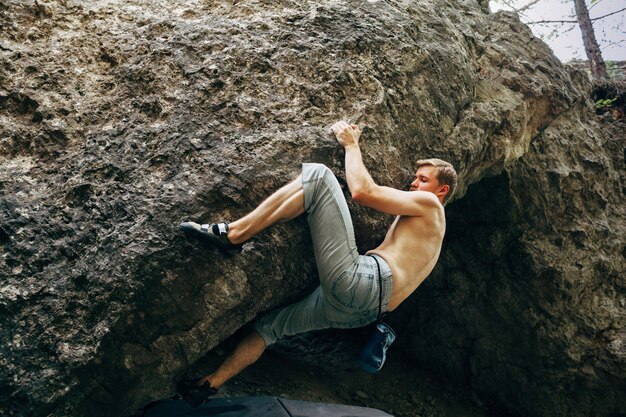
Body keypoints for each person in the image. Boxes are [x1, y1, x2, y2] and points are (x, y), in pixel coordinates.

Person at [177, 120, 458, 406]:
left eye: (423, 179)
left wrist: (352, 144)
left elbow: (363, 192)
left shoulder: (431, 205)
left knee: (320, 175)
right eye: (415, 177)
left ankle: (233, 235)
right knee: (269, 329)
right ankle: (207, 385)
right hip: (359, 313)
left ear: (441, 190)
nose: (413, 182)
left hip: (362, 283)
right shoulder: (432, 231)